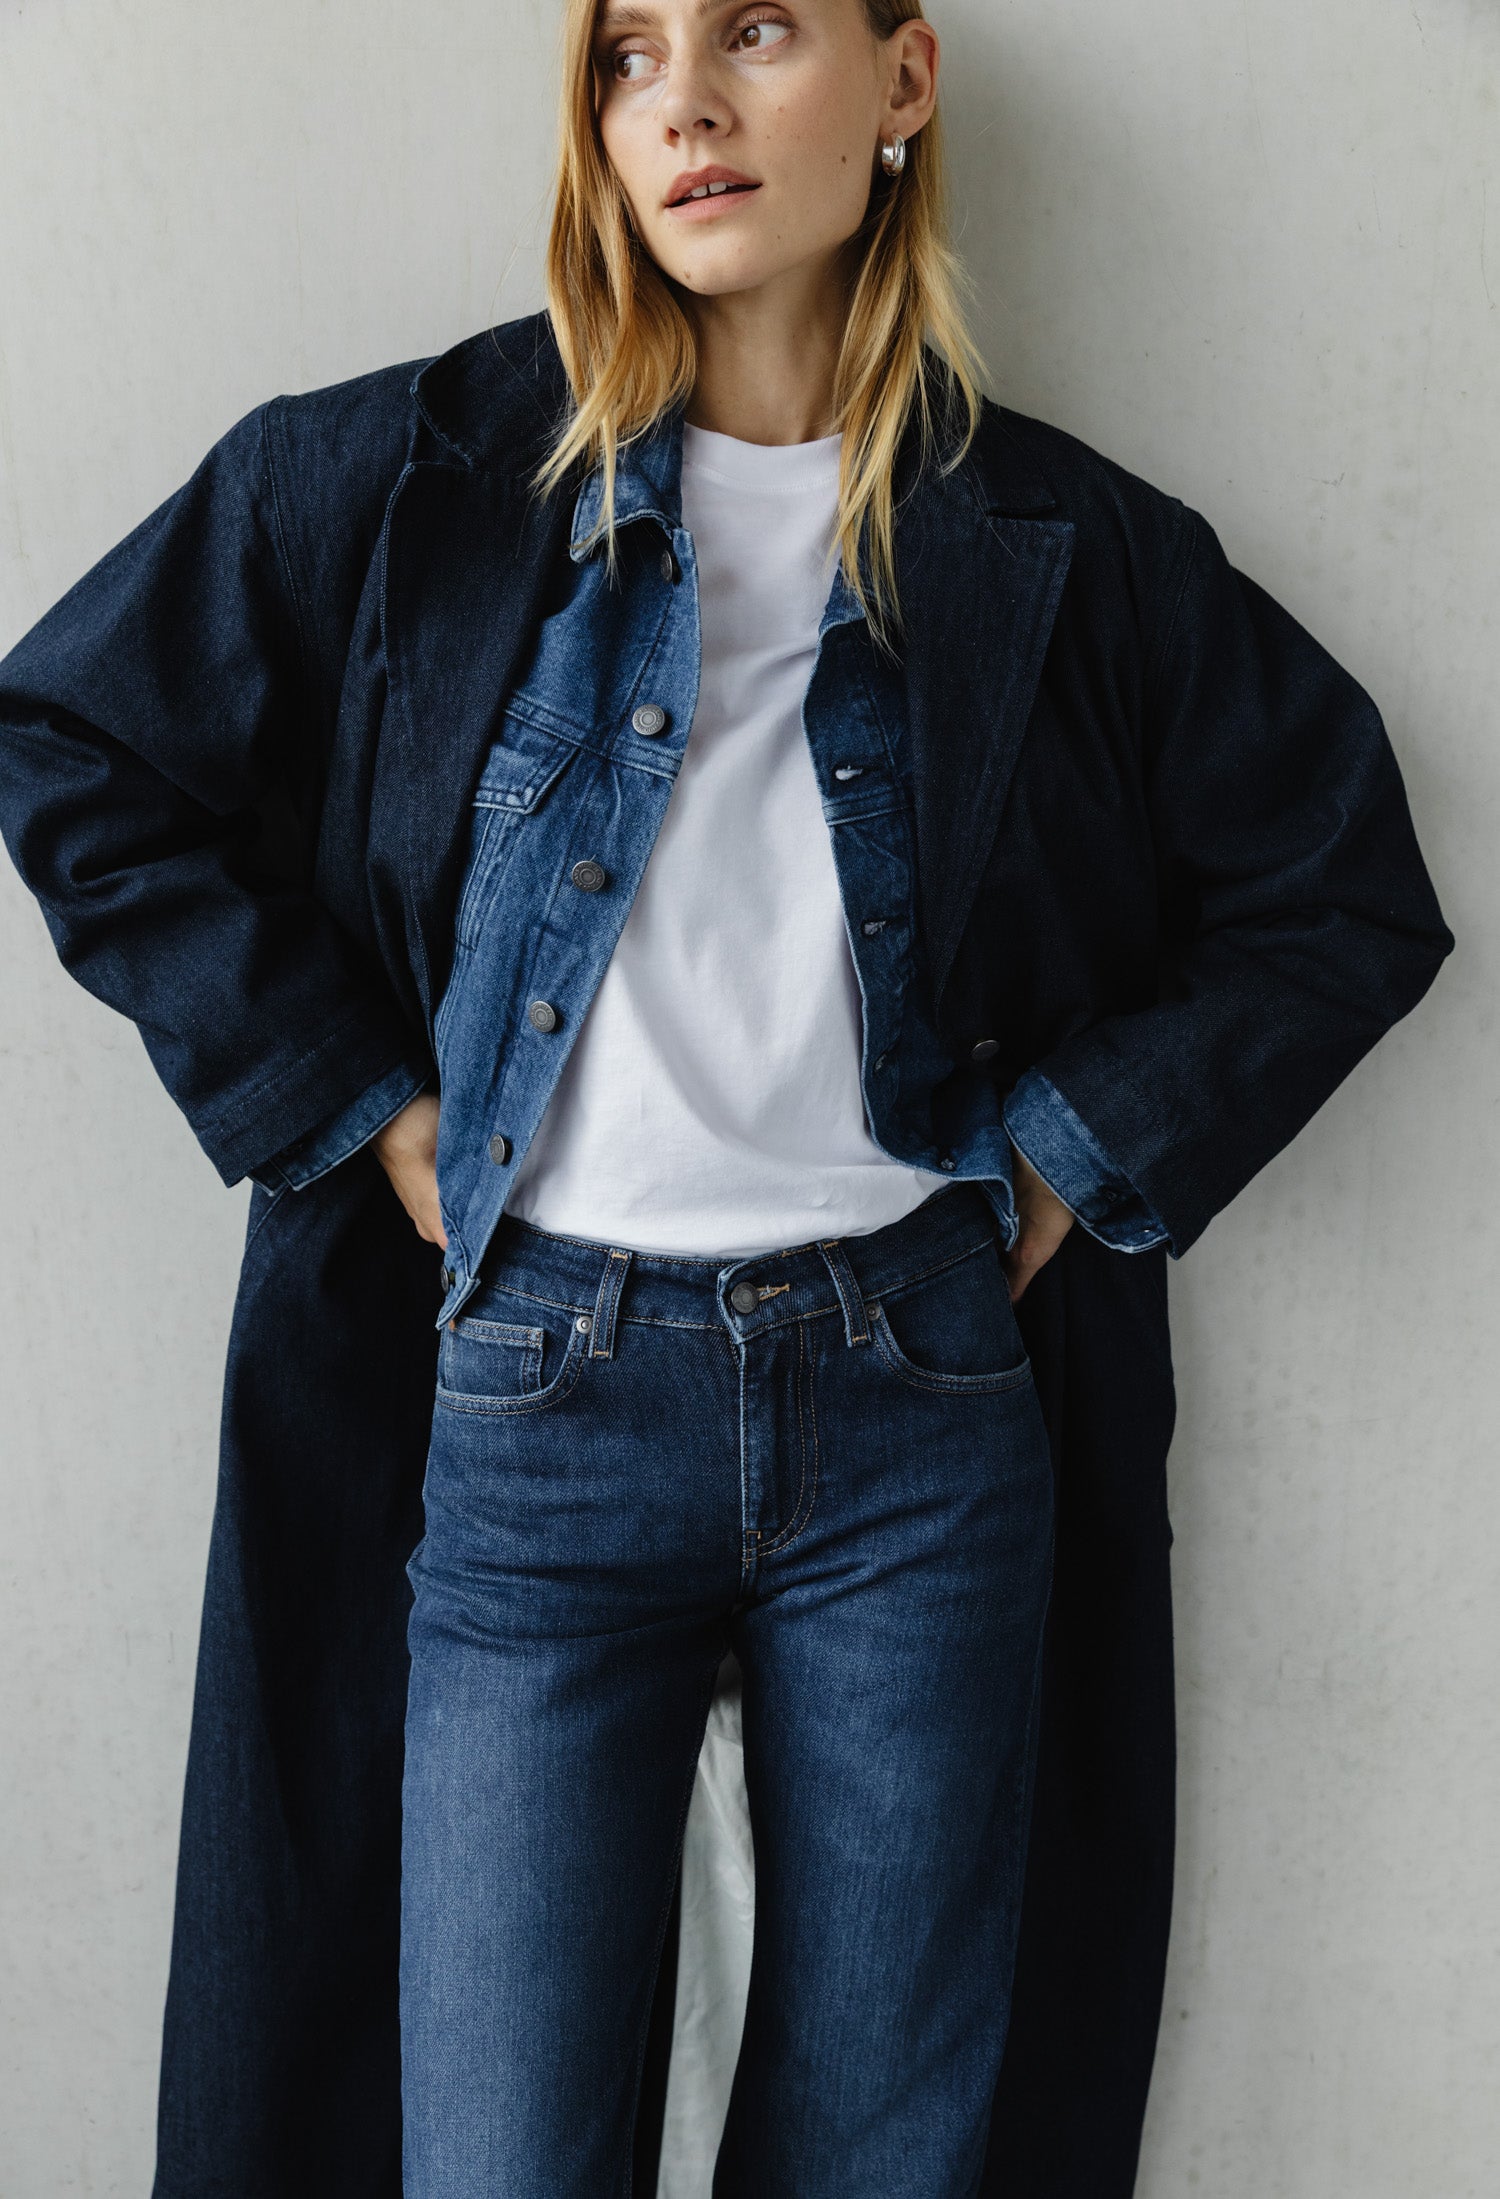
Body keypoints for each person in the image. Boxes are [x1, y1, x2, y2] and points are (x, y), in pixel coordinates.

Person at [0, 1, 1454, 2194]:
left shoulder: (1054, 542)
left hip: (920, 1410)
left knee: (890, 2152)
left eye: (757, 31)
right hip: (533, 1415)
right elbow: (71, 742)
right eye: (625, 53)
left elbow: (1340, 882)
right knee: (489, 2151)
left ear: (904, 78)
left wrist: (1072, 1151)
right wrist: (361, 1103)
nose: (679, 98)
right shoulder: (413, 483)